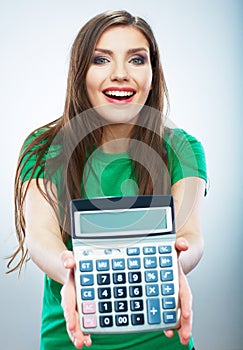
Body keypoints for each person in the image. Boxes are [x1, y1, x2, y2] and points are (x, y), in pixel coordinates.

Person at [8, 9, 207, 350]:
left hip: (163, 339)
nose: (120, 74)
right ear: (80, 72)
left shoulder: (181, 148)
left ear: (152, 73)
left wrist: (174, 266)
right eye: (101, 59)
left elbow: (189, 235)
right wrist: (70, 270)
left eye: (136, 59)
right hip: (71, 338)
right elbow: (41, 234)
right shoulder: (44, 147)